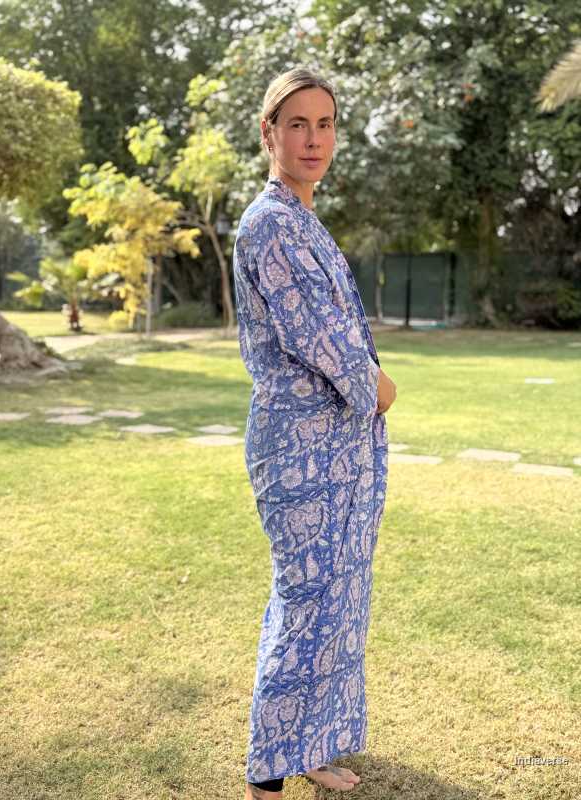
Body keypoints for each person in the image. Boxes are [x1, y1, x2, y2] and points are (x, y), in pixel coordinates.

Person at [232, 66, 397, 799]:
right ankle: (268, 775)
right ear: (268, 133)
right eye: (296, 124)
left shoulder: (303, 218)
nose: (313, 139)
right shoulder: (270, 225)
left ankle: (315, 745)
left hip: (341, 451)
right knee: (308, 605)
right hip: (302, 453)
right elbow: (325, 340)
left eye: (324, 124)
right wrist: (379, 387)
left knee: (339, 605)